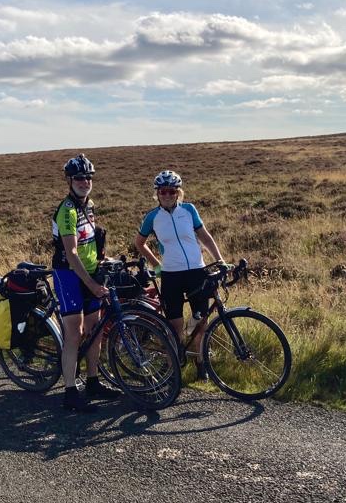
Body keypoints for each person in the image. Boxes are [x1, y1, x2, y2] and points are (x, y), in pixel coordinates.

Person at [134, 169, 225, 380]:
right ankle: (174, 364)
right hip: (171, 275)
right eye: (163, 191)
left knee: (201, 323)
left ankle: (200, 363)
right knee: (175, 326)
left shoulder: (189, 210)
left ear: (178, 192)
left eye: (172, 191)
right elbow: (139, 243)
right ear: (157, 194)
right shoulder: (152, 217)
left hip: (196, 272)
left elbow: (205, 237)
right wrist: (156, 265)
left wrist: (220, 259)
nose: (167, 195)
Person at [51, 154, 121, 412]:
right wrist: (91, 284)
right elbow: (71, 254)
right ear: (69, 181)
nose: (84, 182)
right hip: (69, 275)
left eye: (88, 178)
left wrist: (104, 260)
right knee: (75, 333)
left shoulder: (89, 205)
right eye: (79, 178)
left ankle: (93, 381)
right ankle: (70, 391)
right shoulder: (67, 210)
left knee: (95, 330)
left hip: (90, 271)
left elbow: (90, 241)